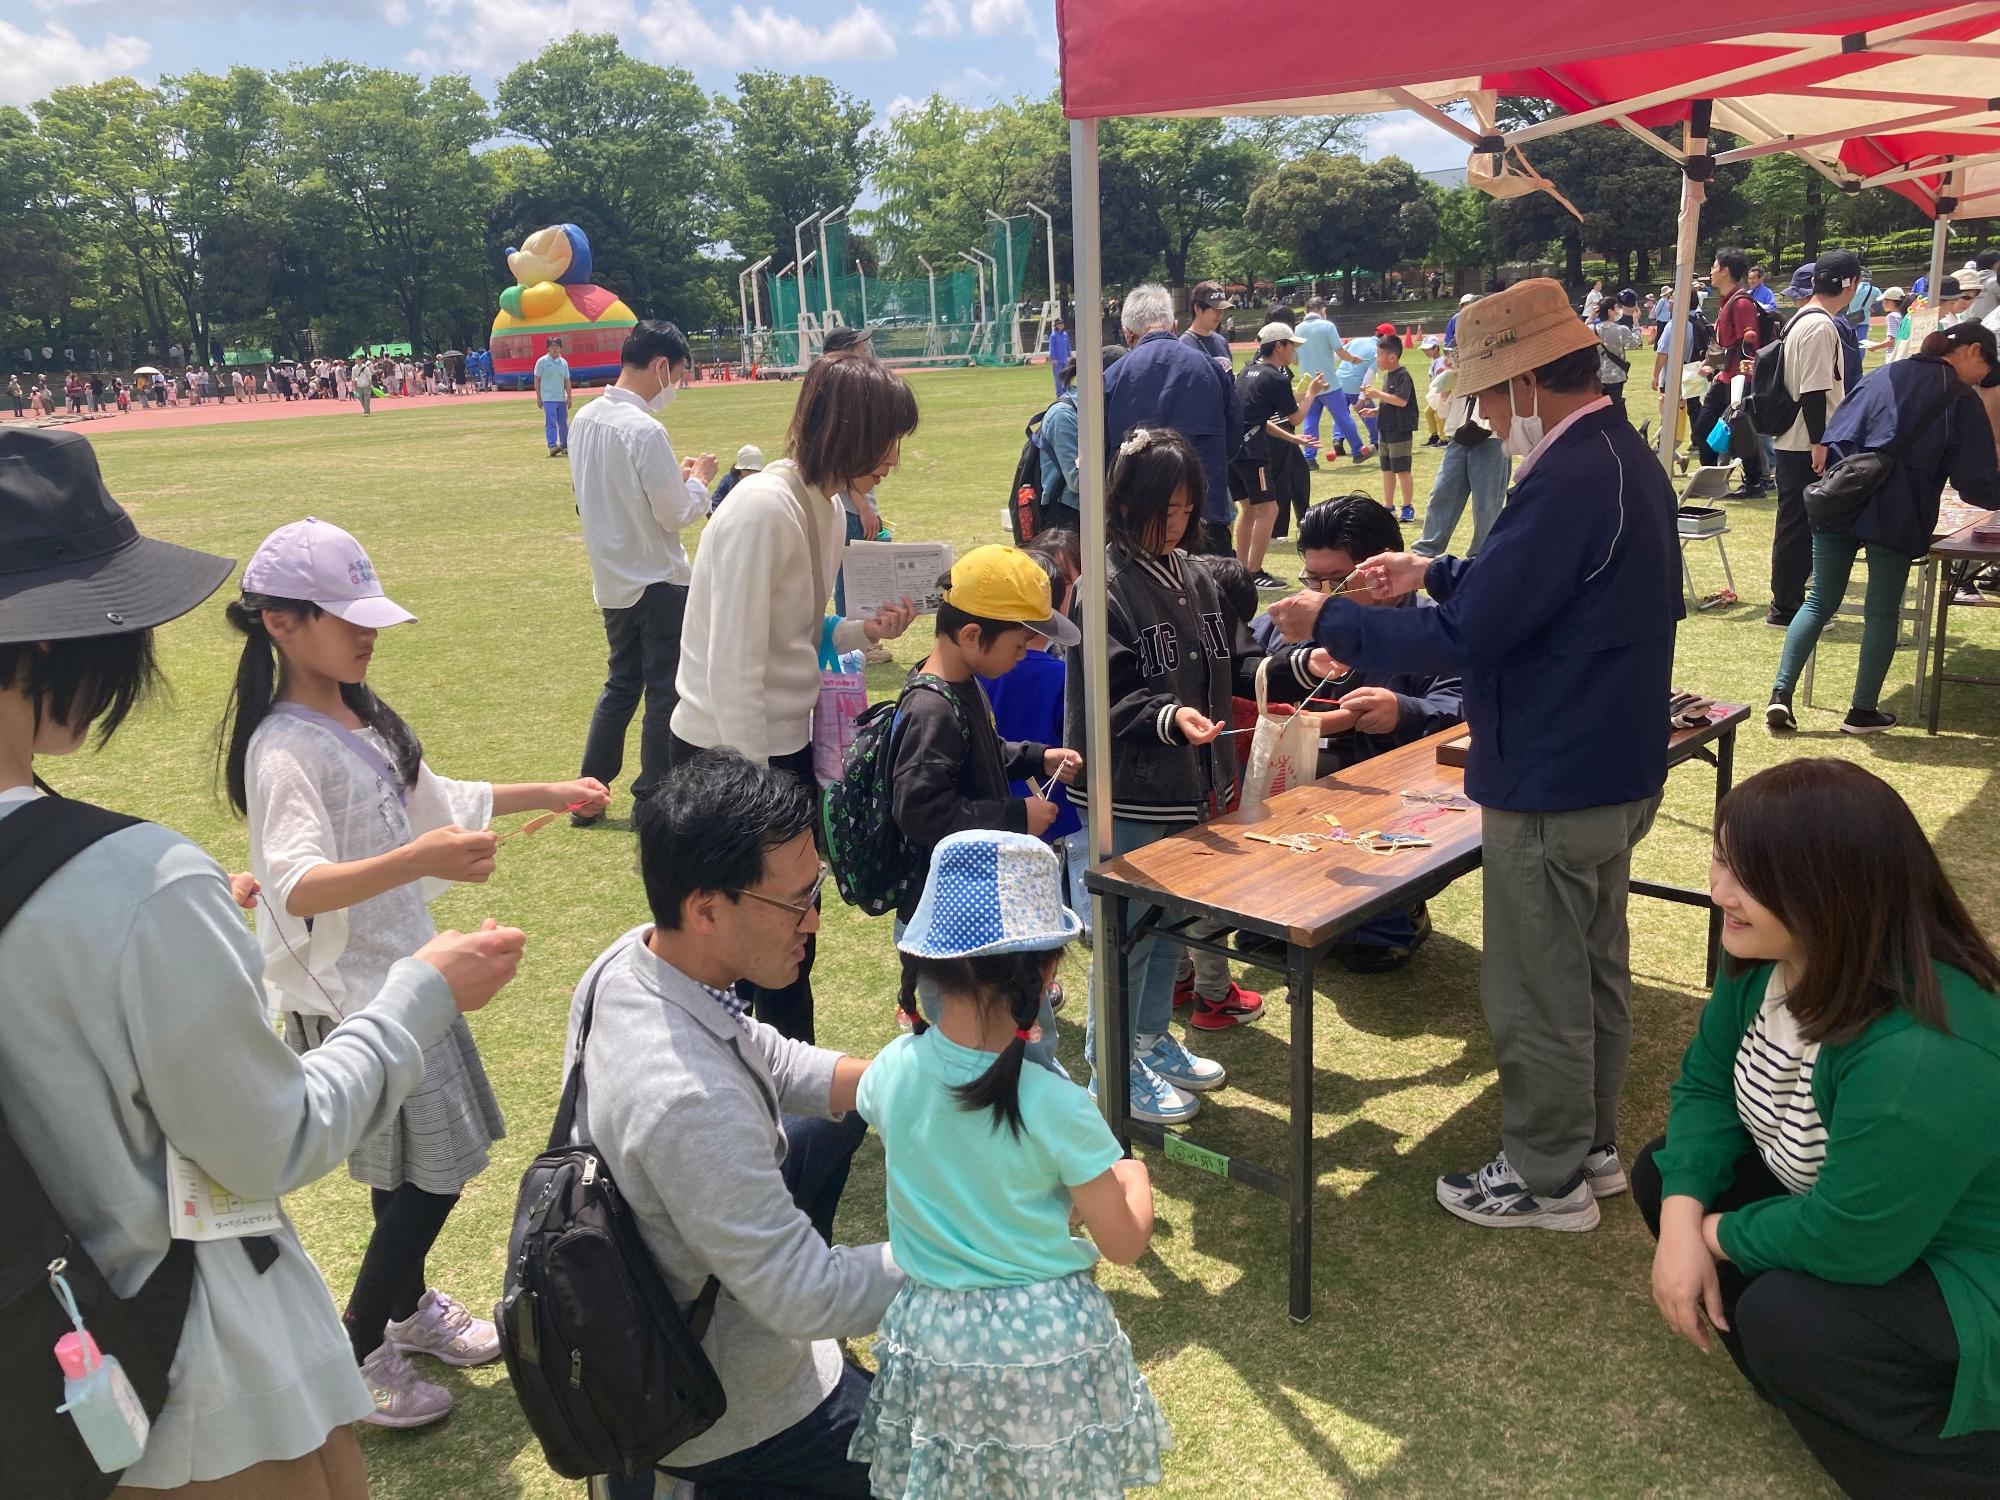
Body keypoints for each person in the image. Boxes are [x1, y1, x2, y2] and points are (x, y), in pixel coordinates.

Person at [0, 428, 525, 1494]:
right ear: (51, 645)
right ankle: (389, 1326)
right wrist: (422, 992)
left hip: (46, 1370)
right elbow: (266, 1139)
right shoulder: (131, 881)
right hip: (189, 1381)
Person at [1266, 278, 1682, 1229]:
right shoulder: (1618, 455)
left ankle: (1546, 1177)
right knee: (1589, 969)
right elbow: (1529, 588)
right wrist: (1432, 568)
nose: (1489, 416)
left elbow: (1466, 636)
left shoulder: (1574, 472)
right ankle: (1588, 1147)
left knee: (1539, 983)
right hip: (1607, 758)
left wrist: (1331, 617)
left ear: (1531, 381)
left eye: (1493, 396)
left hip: (1554, 766)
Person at [218, 516, 605, 1427]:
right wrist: (417, 860)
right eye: (346, 618)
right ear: (281, 623)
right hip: (353, 996)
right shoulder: (284, 747)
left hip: (410, 976)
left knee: (407, 1175)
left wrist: (547, 790)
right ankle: (358, 1348)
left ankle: (406, 1309)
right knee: (432, 1177)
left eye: (369, 617)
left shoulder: (361, 716)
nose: (366, 634)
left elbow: (438, 802)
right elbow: (299, 882)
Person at [1635, 758, 2000, 1495]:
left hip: (1965, 1262)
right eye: (1722, 859)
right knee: (1666, 1171)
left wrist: (1705, 1237)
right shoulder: (1769, 957)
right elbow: (1705, 1087)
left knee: (1792, 1318)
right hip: (1866, 1213)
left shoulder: (1921, 1054)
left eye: (1751, 878)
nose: (1720, 893)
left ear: (1830, 892)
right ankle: (1808, 1380)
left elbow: (1855, 1242)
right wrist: (1681, 1220)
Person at [571, 751, 901, 1500]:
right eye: (796, 903)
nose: (814, 920)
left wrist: (895, 1083)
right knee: (930, 1461)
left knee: (836, 1126)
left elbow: (763, 1054)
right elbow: (807, 1297)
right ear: (707, 908)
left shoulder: (629, 962)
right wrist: (981, 1240)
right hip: (726, 1408)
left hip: (643, 1297)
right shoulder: (688, 1101)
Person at [848, 830, 1172, 1497]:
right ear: (1048, 973)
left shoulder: (887, 1073)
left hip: (932, 1337)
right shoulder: (1057, 1107)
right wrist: (1133, 1180)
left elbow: (939, 1141)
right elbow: (1124, 1242)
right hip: (1045, 1343)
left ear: (928, 964)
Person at [673, 355, 919, 1042]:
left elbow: (797, 628)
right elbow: (733, 666)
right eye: (887, 439)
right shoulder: (763, 509)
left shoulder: (823, 505)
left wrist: (861, 629)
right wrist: (756, 800)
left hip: (780, 744)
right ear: (849, 429)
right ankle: (765, 1092)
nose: (893, 459)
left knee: (791, 935)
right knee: (747, 940)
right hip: (727, 752)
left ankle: (788, 1080)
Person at [1064, 427, 1246, 1125]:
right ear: (1124, 504)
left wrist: (1300, 666)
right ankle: (1110, 1066)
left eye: (1183, 510)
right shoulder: (1102, 588)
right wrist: (1172, 718)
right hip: (1131, 788)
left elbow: (1235, 661)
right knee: (1129, 931)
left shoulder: (1197, 576)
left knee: (1170, 927)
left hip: (1191, 787)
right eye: (1160, 511)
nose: (1173, 525)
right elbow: (1105, 697)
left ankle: (1148, 1040)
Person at [1253, 496, 1461, 971]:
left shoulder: (1432, 627)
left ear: (1384, 571)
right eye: (1313, 579)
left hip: (1393, 802)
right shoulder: (1286, 621)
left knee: (1372, 933)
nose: (1322, 594)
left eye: (1338, 582)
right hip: (1289, 794)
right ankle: (1283, 907)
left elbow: (1465, 712)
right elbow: (1243, 677)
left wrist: (1404, 711)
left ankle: (1387, 917)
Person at [1767, 321, 2000, 736]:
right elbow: (1976, 480)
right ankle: (1861, 712)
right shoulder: (1961, 400)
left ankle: (1780, 695)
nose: (1984, 379)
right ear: (1972, 351)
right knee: (1881, 611)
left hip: (1841, 496)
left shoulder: (1882, 376)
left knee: (1819, 601)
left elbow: (1837, 436)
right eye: (1986, 368)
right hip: (1899, 509)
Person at [888, 547, 1081, 1038]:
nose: (1023, 656)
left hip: (974, 901)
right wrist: (1016, 816)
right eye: (1019, 645)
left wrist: (1038, 756)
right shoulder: (931, 710)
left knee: (1010, 1034)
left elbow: (980, 749)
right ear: (972, 635)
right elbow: (921, 811)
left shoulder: (962, 682)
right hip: (954, 921)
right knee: (981, 1043)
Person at [569, 321, 718, 822]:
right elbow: (676, 513)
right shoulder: (645, 428)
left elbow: (608, 493)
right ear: (660, 366)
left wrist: (674, 484)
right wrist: (698, 483)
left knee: (620, 685)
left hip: (611, 577)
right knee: (662, 693)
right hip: (657, 578)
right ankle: (651, 798)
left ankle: (587, 792)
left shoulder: (585, 418)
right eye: (677, 374)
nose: (675, 385)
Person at [1104, 283, 1243, 556]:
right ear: (1174, 325)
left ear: (1127, 334)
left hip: (1138, 523)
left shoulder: (1113, 377)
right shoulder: (1209, 367)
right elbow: (1234, 435)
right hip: (1203, 513)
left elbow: (1099, 455)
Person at [1767, 253, 1860, 628]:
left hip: (1798, 439)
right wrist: (1821, 442)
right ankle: (1787, 607)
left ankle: (1788, 603)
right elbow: (1815, 390)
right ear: (1851, 284)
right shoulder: (1821, 325)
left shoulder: (1803, 319)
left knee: (1796, 523)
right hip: (1806, 441)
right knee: (1800, 525)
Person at [1231, 322, 1321, 588]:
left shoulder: (1246, 372)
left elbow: (1254, 419)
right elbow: (1296, 417)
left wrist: (1291, 438)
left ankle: (1241, 569)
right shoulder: (1277, 378)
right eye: (1291, 344)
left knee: (1248, 510)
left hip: (1234, 451)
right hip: (1253, 453)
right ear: (1279, 346)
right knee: (1269, 510)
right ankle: (1255, 572)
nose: (1294, 350)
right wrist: (1312, 394)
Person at [1702, 248, 1770, 499]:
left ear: (1725, 270)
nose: (1710, 271)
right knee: (1706, 427)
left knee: (1740, 432)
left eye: (1714, 266)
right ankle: (1713, 480)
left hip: (1739, 379)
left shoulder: (1740, 303)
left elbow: (1749, 343)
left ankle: (1754, 481)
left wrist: (1744, 376)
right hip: (1726, 377)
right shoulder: (1729, 301)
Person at [1296, 296, 1363, 462]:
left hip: (1309, 383)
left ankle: (1309, 457)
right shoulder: (1327, 326)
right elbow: (1340, 351)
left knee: (1310, 420)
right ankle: (1357, 450)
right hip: (1329, 383)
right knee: (1343, 417)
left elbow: (1294, 358)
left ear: (1306, 311)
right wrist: (1353, 359)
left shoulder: (1297, 329)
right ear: (1322, 310)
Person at [1361, 333, 1419, 521]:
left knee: (1402, 470)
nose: (1377, 359)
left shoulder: (1403, 375)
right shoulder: (1388, 376)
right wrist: (1377, 410)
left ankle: (1408, 507)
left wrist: (1377, 394)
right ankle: (1388, 506)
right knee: (1387, 469)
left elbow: (1402, 401)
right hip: (1385, 427)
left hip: (1399, 429)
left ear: (1392, 357)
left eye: (1379, 355)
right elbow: (1391, 401)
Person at [1595, 290, 1646, 421]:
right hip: (1616, 375)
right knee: (1616, 406)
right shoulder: (1620, 329)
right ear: (1610, 311)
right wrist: (1635, 323)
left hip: (1598, 375)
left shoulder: (1592, 329)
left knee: (1601, 408)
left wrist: (1590, 317)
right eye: (1616, 308)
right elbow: (1636, 343)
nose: (1618, 310)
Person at [533, 337, 572, 457]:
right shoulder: (542, 362)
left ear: (561, 348)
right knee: (551, 423)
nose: (554, 349)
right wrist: (538, 397)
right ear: (548, 348)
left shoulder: (563, 363)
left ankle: (565, 445)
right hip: (548, 398)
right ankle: (552, 446)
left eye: (557, 346)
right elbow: (537, 379)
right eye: (552, 346)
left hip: (561, 397)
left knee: (563, 423)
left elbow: (566, 380)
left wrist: (569, 396)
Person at [1180, 280, 1234, 366]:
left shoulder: (1221, 342)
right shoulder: (1184, 346)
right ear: (1198, 309)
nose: (1219, 314)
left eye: (1222, 310)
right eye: (1215, 309)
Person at [709, 442, 763, 512]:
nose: (752, 474)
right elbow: (714, 504)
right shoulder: (728, 481)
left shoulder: (763, 482)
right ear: (740, 469)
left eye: (756, 470)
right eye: (748, 470)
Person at [1869, 287, 1913, 363]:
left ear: (1890, 301)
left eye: (1884, 300)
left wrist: (1875, 347)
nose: (1882, 303)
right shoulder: (1907, 315)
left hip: (1893, 356)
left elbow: (1891, 341)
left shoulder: (1892, 316)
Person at [1047, 317, 1071, 396]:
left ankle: (1065, 392)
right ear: (1056, 325)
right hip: (1057, 360)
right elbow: (1052, 348)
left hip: (1065, 359)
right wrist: (1053, 359)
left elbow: (1068, 346)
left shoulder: (1065, 334)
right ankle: (1059, 394)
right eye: (1059, 324)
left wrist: (1069, 356)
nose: (1061, 325)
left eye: (1062, 323)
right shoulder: (1053, 336)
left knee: (1065, 376)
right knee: (1058, 378)